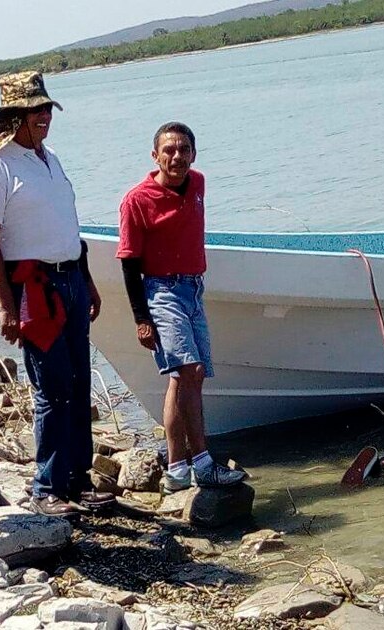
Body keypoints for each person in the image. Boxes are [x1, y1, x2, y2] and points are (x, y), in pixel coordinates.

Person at [0, 71, 114, 517]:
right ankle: (46, 486)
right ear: (14, 115)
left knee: (77, 381)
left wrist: (86, 277)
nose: (45, 118)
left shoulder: (49, 158)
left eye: (47, 109)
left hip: (70, 277)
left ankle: (77, 479)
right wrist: (6, 307)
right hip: (34, 287)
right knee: (51, 387)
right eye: (36, 111)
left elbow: (65, 225)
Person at [117, 122, 247, 494]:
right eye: (169, 150)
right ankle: (204, 465)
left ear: (194, 153)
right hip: (161, 290)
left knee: (187, 376)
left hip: (193, 288)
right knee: (190, 369)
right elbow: (128, 263)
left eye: (184, 149)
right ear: (155, 155)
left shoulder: (199, 184)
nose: (177, 157)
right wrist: (141, 319)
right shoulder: (136, 200)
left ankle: (176, 470)